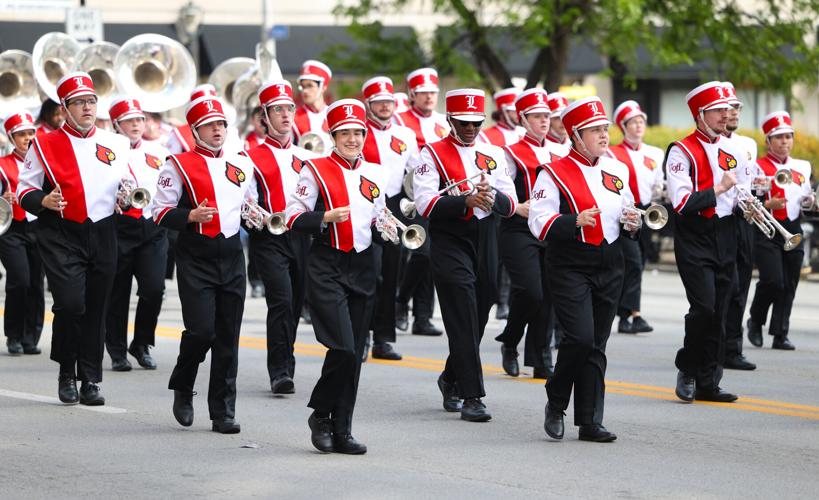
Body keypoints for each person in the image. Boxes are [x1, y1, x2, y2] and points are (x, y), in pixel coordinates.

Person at [17, 72, 132, 406]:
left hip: (104, 231)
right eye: (79, 102)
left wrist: (125, 199)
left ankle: (90, 379)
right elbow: (24, 189)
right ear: (64, 109)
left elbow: (127, 187)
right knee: (70, 304)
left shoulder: (116, 143)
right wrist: (43, 200)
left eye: (91, 101)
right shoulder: (44, 143)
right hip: (62, 232)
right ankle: (67, 371)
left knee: (96, 306)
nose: (87, 107)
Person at [530, 96, 637, 443]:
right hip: (570, 264)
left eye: (605, 128)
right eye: (594, 130)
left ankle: (590, 421)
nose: (604, 135)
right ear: (576, 136)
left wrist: (633, 222)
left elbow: (626, 211)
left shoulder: (617, 169)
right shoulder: (552, 172)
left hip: (611, 262)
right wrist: (573, 221)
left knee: (597, 344)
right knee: (580, 338)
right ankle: (556, 399)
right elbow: (538, 221)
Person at [285, 98, 387, 454]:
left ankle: (342, 428)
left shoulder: (375, 172)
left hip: (363, 265)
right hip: (327, 263)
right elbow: (292, 216)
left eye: (358, 133)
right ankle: (320, 413)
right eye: (345, 133)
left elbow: (377, 215)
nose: (353, 139)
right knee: (343, 347)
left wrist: (386, 227)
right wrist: (324, 218)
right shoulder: (315, 169)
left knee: (355, 354)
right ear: (333, 136)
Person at [413, 88, 517, 422]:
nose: (471, 129)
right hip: (450, 238)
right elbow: (424, 203)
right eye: (463, 123)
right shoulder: (431, 153)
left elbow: (511, 203)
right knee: (462, 312)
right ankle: (472, 396)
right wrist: (464, 201)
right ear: (450, 121)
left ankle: (450, 376)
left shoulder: (494, 153)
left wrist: (492, 197)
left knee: (480, 311)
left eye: (476, 122)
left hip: (486, 236)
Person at [153, 96, 256, 434]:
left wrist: (255, 214)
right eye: (209, 125)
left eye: (221, 124)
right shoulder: (178, 164)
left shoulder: (242, 163)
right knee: (201, 332)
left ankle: (223, 411)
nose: (217, 130)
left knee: (228, 336)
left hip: (232, 255)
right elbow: (159, 212)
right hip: (196, 256)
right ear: (195, 131)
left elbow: (248, 203)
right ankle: (183, 384)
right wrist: (190, 216)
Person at [665, 81, 746, 404]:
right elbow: (681, 202)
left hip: (726, 231)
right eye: (717, 110)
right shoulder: (680, 151)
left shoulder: (734, 149)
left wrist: (748, 203)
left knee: (721, 310)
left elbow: (740, 194)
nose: (726, 115)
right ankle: (687, 368)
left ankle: (709, 381)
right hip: (695, 234)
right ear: (700, 115)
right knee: (704, 307)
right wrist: (719, 188)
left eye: (727, 109)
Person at [244, 80, 317, 394]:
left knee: (297, 302)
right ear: (265, 116)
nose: (286, 115)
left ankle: (287, 359)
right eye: (278, 110)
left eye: (289, 108)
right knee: (282, 301)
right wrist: (260, 217)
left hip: (302, 238)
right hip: (269, 238)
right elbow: (246, 200)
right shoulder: (249, 156)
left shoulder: (308, 155)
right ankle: (280, 371)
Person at [495, 88, 562, 380]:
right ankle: (510, 340)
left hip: (550, 228)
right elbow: (500, 188)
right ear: (523, 119)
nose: (544, 121)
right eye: (536, 116)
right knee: (531, 291)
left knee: (549, 294)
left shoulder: (561, 150)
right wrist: (516, 207)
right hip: (518, 229)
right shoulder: (509, 152)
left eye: (546, 115)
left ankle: (541, 358)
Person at [104, 97, 170, 372]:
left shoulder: (159, 151)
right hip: (120, 227)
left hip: (152, 227)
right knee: (118, 293)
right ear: (116, 124)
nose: (135, 125)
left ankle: (141, 343)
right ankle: (117, 350)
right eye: (129, 120)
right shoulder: (106, 152)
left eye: (139, 119)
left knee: (154, 289)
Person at [360, 76, 419, 361]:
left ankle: (383, 339)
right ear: (368, 104)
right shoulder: (358, 132)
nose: (385, 106)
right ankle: (361, 335)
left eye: (388, 101)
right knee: (369, 272)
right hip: (364, 205)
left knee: (391, 273)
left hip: (395, 204)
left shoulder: (405, 134)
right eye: (378, 102)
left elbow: (415, 171)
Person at [747, 111, 812, 351]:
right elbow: (746, 203)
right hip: (767, 229)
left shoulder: (802, 167)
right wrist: (767, 205)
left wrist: (811, 203)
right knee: (773, 280)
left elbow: (804, 201)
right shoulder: (757, 167)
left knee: (790, 282)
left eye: (788, 136)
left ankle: (780, 333)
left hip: (792, 227)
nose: (785, 142)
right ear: (768, 141)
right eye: (778, 137)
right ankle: (755, 320)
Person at [393, 67, 449, 337]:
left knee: (432, 254)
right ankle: (401, 300)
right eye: (423, 93)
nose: (429, 97)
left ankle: (422, 316)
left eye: (432, 92)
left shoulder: (444, 121)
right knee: (421, 250)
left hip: (440, 192)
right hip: (408, 193)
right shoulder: (399, 120)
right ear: (412, 95)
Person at [608, 100, 665, 334]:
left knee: (639, 263)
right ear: (623, 127)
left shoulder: (655, 153)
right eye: (633, 122)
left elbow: (658, 184)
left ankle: (625, 315)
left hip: (647, 211)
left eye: (641, 121)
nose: (639, 125)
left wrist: (659, 193)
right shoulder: (612, 153)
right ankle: (634, 314)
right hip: (623, 214)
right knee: (632, 261)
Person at [721, 82, 759, 370]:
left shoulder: (748, 144)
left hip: (743, 220)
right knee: (724, 287)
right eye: (728, 108)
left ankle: (733, 348)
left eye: (736, 107)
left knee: (741, 285)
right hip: (719, 221)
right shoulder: (709, 146)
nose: (733, 112)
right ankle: (713, 346)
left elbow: (749, 183)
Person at [0, 111, 44, 356]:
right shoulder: (2, 165)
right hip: (12, 229)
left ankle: (31, 337)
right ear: (11, 138)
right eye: (21, 134)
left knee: (36, 283)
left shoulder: (45, 162)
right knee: (20, 280)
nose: (27, 138)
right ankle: (14, 335)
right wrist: (2, 198)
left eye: (30, 133)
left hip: (39, 227)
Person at [292, 60, 332, 145]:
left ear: (323, 87)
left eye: (310, 86)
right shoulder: (293, 118)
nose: (305, 91)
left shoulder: (334, 115)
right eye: (303, 86)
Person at [545, 92, 571, 157]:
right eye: (557, 118)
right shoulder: (543, 146)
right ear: (549, 120)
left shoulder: (574, 145)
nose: (562, 122)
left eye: (565, 117)